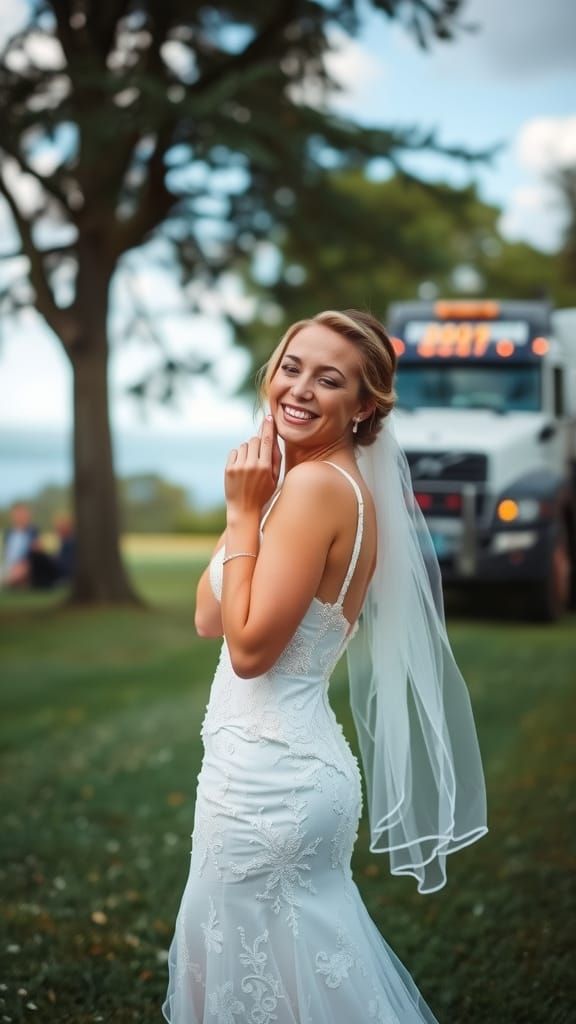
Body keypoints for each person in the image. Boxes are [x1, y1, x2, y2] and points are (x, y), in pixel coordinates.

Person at [162, 310, 488, 1023]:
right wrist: (253, 498)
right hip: (272, 767)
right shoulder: (308, 482)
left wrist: (246, 512)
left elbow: (246, 652)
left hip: (269, 786)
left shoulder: (317, 492)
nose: (301, 389)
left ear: (365, 406)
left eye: (329, 379)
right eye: (292, 367)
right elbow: (207, 615)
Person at [28, 513, 76, 589]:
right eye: (58, 526)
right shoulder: (58, 540)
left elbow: (65, 563)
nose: (59, 528)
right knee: (35, 553)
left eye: (62, 526)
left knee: (38, 556)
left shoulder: (70, 542)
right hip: (56, 568)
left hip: (63, 572)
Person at [1, 502, 39, 589]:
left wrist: (23, 565)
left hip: (23, 566)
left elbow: (34, 553)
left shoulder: (33, 531)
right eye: (18, 514)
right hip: (9, 566)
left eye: (22, 514)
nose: (20, 517)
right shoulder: (9, 532)